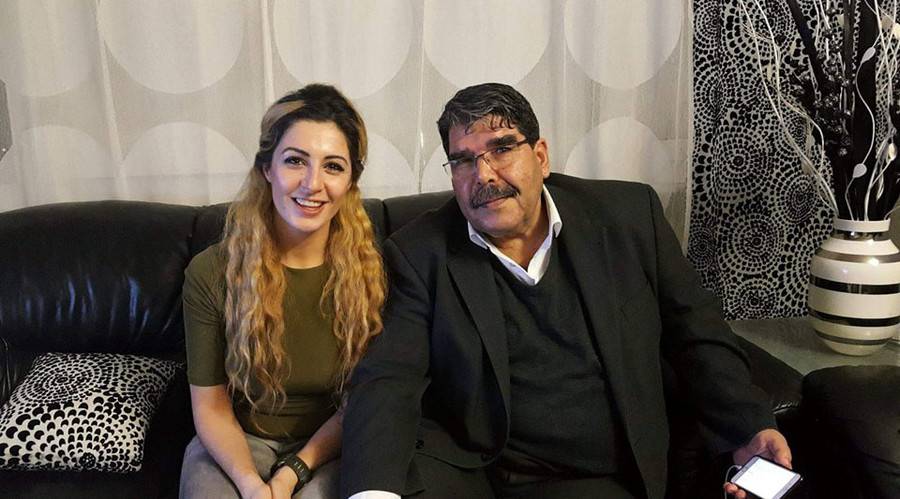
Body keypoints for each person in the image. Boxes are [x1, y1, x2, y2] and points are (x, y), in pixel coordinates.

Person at [340, 83, 791, 499]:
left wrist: (747, 428)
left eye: (502, 149)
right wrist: (372, 493)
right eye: (463, 160)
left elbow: (697, 334)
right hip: (474, 470)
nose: (484, 174)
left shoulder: (628, 218)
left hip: (593, 478)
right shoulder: (419, 251)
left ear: (540, 157)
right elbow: (388, 378)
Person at [179, 84, 386, 499]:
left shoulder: (375, 272)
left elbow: (364, 401)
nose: (312, 184)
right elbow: (211, 406)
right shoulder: (211, 272)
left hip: (332, 446)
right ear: (267, 168)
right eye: (295, 161)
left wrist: (294, 471)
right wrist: (250, 485)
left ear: (351, 181)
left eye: (333, 166)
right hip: (236, 442)